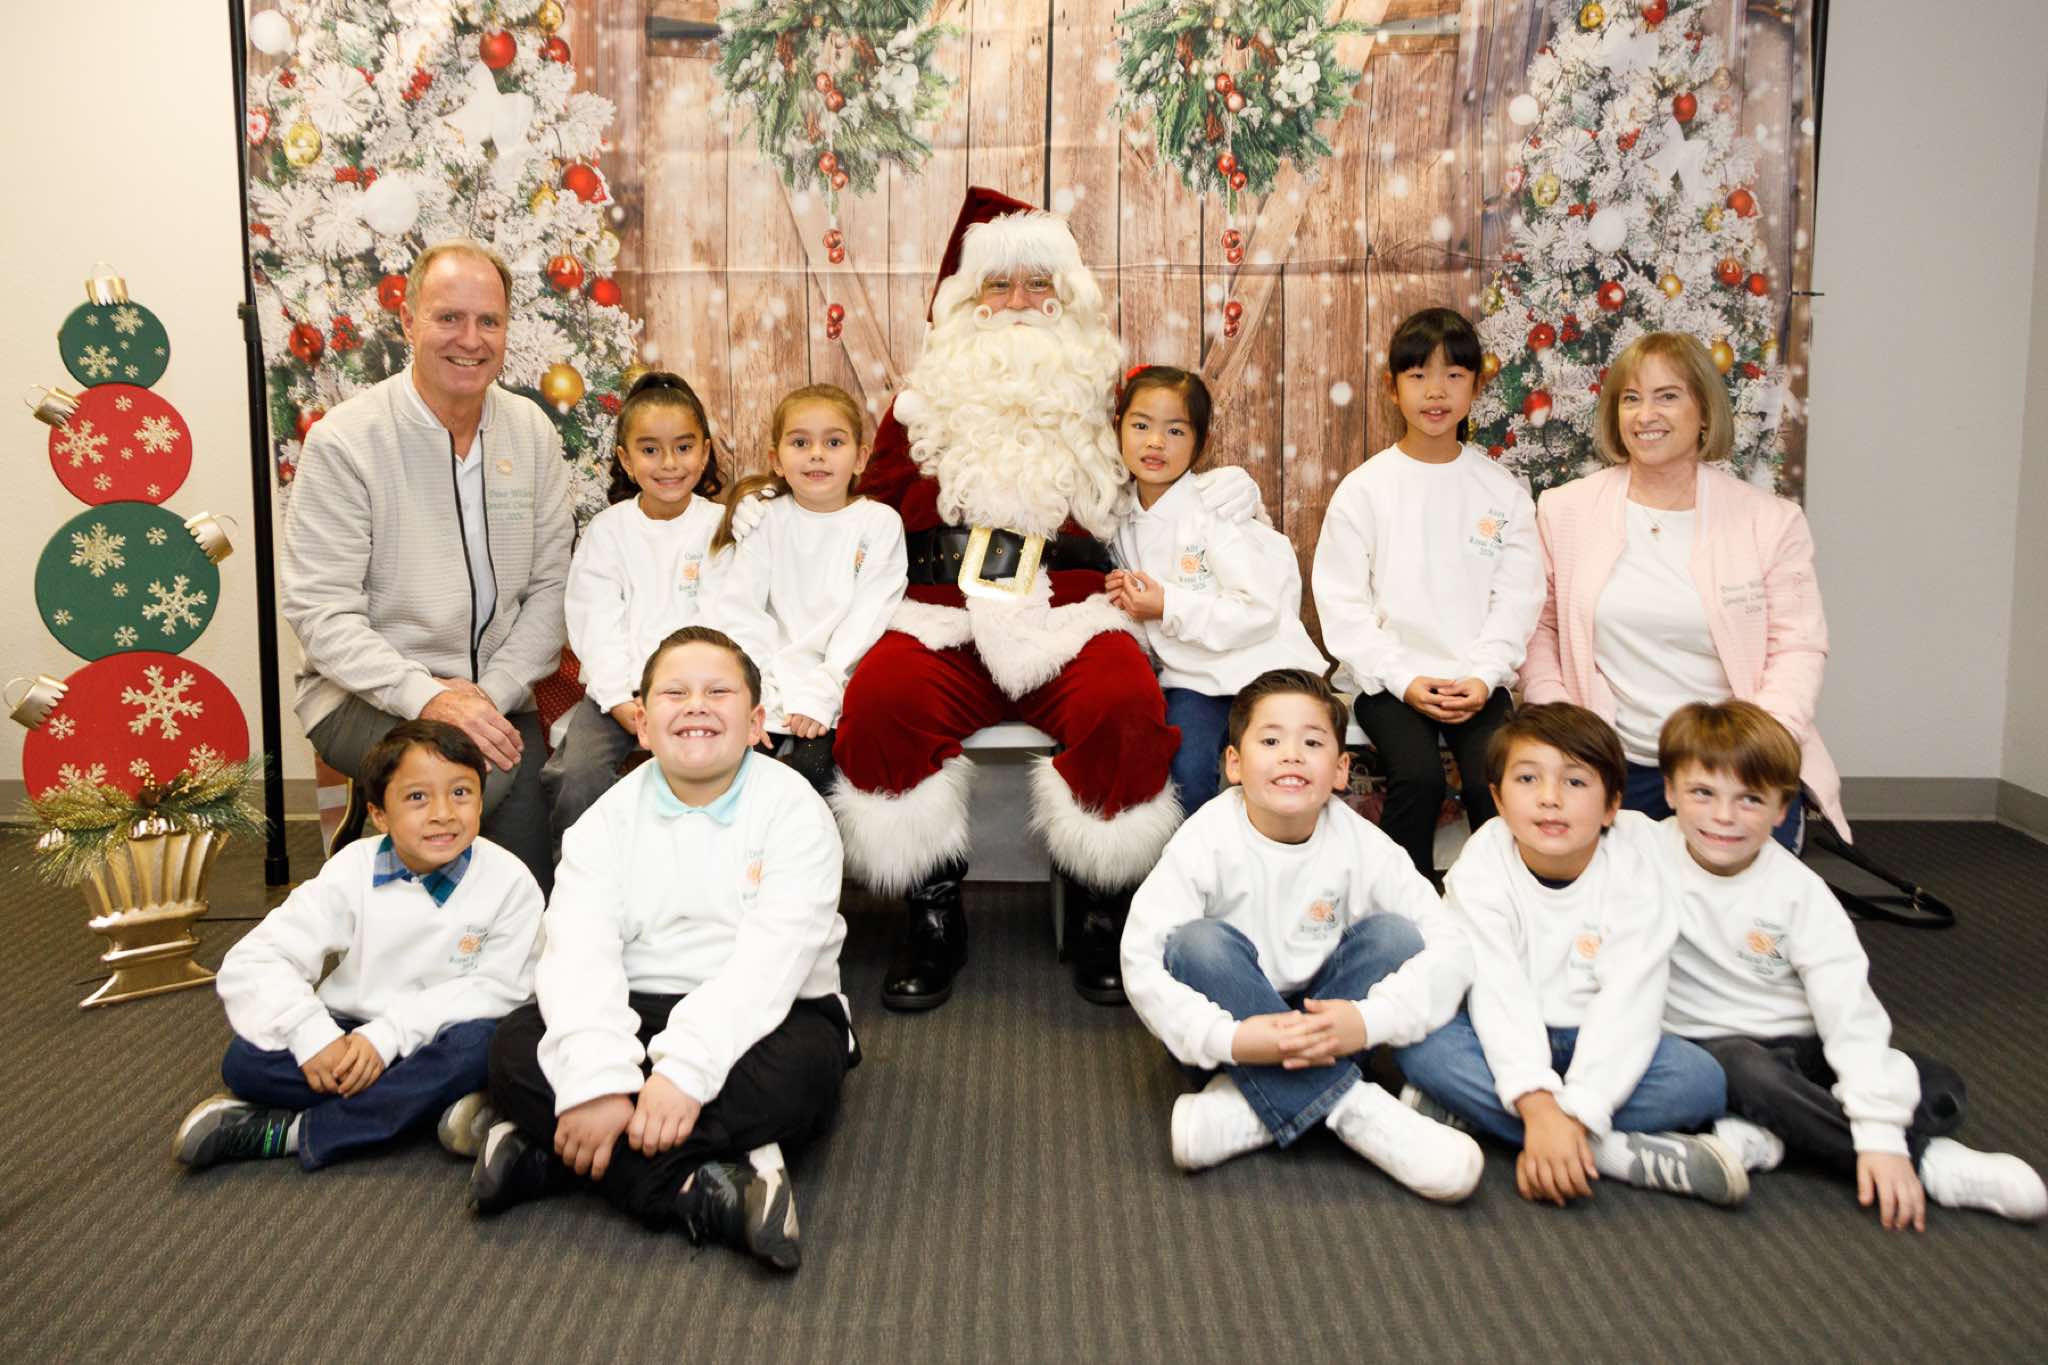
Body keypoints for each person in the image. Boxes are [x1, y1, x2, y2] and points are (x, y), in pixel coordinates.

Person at [730, 188, 1258, 1012]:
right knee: (883, 700)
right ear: (965, 301)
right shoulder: (920, 403)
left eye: (1037, 284)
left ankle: (1102, 907)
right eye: (997, 285)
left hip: (1070, 610)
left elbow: (1164, 458)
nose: (1017, 303)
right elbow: (857, 503)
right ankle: (933, 914)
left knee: (1125, 702)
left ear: (1067, 295)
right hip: (941, 610)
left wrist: (1219, 492)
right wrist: (770, 502)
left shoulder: (1103, 396)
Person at [474, 627, 856, 1274]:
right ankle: (702, 1188)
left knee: (808, 1074)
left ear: (755, 723)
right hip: (635, 1001)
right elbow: (579, 952)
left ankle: (556, 1155)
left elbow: (771, 965)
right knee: (512, 1045)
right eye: (674, 693)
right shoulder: (605, 820)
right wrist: (599, 1079)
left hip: (770, 1015)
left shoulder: (796, 812)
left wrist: (681, 1076)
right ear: (644, 725)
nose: (696, 705)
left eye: (718, 692)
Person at [1656, 700, 2047, 1227]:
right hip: (1714, 1052)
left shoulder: (1801, 893)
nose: (1723, 817)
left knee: (1937, 1084)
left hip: (1801, 1045)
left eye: (1750, 799)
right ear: (1669, 792)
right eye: (1702, 793)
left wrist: (1878, 1125)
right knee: (1746, 1070)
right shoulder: (1640, 851)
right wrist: (1884, 1143)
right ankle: (1928, 1162)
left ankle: (1774, 1132)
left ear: (1782, 810)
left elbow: (1849, 1012)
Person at [280, 239, 575, 892]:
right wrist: (432, 698)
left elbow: (553, 589)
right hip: (364, 696)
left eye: (488, 321)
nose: (470, 339)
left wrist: (488, 695)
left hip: (497, 695)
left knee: (530, 879)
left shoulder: (530, 433)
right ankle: (378, 917)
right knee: (468, 784)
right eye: (449, 317)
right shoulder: (346, 441)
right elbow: (322, 614)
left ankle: (440, 916)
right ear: (407, 322)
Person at [1121, 670, 1482, 1200]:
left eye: (1312, 743)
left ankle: (1243, 1110)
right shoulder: (1205, 839)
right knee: (1196, 944)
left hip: (1327, 1020)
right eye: (1270, 741)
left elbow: (1450, 945)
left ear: (1340, 770)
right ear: (1234, 764)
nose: (1291, 755)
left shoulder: (1363, 843)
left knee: (1396, 937)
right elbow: (1141, 958)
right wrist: (1232, 1040)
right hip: (1235, 1026)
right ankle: (1355, 1109)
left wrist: (1366, 1022)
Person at [1394, 703, 1748, 1208]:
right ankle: (1611, 1154)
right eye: (1527, 779)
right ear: (1497, 799)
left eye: (1575, 782)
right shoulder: (1482, 863)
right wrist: (1538, 1106)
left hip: (1596, 1034)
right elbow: (1498, 993)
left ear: (1611, 806)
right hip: (1494, 1034)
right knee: (1421, 1045)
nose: (1550, 799)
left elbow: (1629, 1002)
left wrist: (1579, 1110)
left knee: (1701, 1081)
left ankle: (1506, 1125)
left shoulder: (1637, 871)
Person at [1520, 330, 1843, 851]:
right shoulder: (1565, 510)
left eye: (1667, 396)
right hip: (1606, 764)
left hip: (1733, 767)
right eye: (1631, 398)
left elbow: (1798, 647)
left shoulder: (1769, 521)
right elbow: (1540, 628)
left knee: (1736, 900)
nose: (1645, 414)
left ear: (1705, 413)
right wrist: (1564, 727)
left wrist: (1757, 747)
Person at [173, 720, 543, 1173]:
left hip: (443, 1034)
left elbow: (502, 989)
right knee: (245, 1062)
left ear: (481, 801)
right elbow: (257, 958)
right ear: (379, 815)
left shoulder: (509, 880)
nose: (443, 813)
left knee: (483, 1048)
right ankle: (434, 1104)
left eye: (461, 793)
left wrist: (389, 1035)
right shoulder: (351, 869)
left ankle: (295, 1133)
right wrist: (314, 1037)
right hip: (349, 1035)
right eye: (417, 797)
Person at [1312, 307, 1543, 879]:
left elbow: (1517, 600)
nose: (1435, 392)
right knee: (1417, 777)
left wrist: (1483, 676)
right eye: (1418, 376)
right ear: (1392, 388)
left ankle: (1497, 904)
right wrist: (1403, 678)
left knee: (1495, 781)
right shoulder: (1365, 490)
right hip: (1391, 681)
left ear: (1476, 386)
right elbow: (1343, 606)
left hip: (1475, 681)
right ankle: (1402, 904)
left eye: (1453, 376)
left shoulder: (1501, 491)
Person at [1106, 367, 1327, 815]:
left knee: (1282, 774)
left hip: (1263, 673)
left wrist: (1167, 604)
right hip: (1193, 682)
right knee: (1186, 771)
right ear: (1118, 428)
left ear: (1200, 442)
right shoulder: (1118, 518)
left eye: (1175, 431)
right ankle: (1199, 859)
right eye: (1141, 425)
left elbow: (1258, 609)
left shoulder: (1215, 508)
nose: (1155, 442)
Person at [544, 371, 726, 842]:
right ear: (626, 460)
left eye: (683, 448)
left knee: (732, 772)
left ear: (705, 452)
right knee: (576, 775)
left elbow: (731, 619)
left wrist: (698, 693)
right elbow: (596, 623)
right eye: (650, 450)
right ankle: (581, 880)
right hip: (620, 692)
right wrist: (621, 701)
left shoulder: (722, 527)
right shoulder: (608, 532)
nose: (669, 464)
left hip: (702, 689)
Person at [713, 384, 907, 796]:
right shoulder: (765, 519)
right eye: (800, 442)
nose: (817, 454)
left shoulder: (878, 524)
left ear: (860, 458)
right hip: (767, 682)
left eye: (833, 442)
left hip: (840, 683)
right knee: (738, 778)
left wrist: (824, 689)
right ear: (776, 461)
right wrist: (758, 691)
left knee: (810, 777)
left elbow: (869, 617)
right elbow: (742, 612)